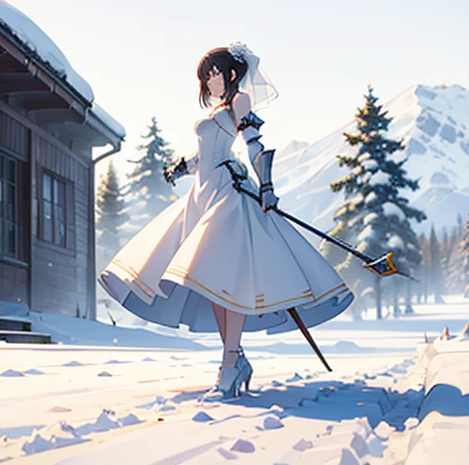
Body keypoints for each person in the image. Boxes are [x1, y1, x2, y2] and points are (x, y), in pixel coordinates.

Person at [99, 43, 353, 399]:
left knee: (226, 282)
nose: (209, 80)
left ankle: (230, 366)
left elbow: (253, 145)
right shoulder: (219, 109)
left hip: (228, 197)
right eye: (206, 76)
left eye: (214, 73)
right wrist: (182, 168)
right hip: (202, 197)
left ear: (231, 74)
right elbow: (207, 153)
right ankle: (236, 359)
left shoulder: (240, 102)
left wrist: (266, 186)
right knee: (214, 284)